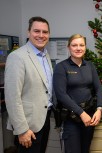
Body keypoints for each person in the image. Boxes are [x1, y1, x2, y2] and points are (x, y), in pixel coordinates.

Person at [4, 16, 55, 153]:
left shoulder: (45, 56)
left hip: (44, 120)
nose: (41, 35)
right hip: (28, 126)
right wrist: (22, 130)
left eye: (45, 32)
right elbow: (12, 98)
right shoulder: (17, 57)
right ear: (28, 32)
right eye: (36, 31)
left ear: (48, 34)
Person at [53, 34, 102, 153]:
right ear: (68, 47)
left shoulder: (90, 66)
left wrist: (99, 109)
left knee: (85, 150)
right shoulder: (61, 67)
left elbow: (99, 89)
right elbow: (61, 95)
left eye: (81, 45)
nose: (78, 48)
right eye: (74, 45)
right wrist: (81, 113)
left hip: (89, 117)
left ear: (85, 47)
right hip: (72, 118)